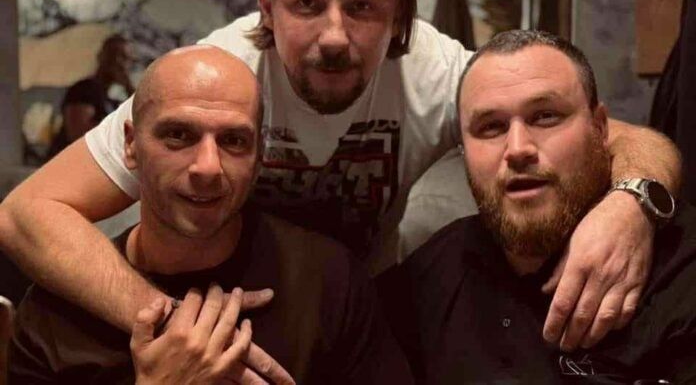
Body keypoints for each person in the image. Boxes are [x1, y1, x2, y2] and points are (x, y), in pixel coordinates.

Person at [0, 0, 681, 357]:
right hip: (207, 305)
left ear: (400, 15)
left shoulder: (435, 72)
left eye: (362, 7)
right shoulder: (219, 77)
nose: (334, 36)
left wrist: (632, 206)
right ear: (265, 7)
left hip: (359, 317)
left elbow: (618, 138)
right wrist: (161, 320)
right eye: (306, 5)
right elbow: (27, 211)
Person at [8, 46, 412, 384]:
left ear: (259, 157)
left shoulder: (327, 283)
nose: (208, 167)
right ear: (130, 145)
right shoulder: (55, 312)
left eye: (233, 141)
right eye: (178, 135)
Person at [380, 30, 696, 384]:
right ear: (463, 151)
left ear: (600, 128)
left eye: (545, 117)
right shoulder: (426, 285)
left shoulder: (681, 272)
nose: (518, 148)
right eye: (491, 127)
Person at [48, 34, 135, 158]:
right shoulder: (84, 89)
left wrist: (129, 87)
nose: (118, 62)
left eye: (125, 58)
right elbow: (78, 134)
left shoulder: (114, 99)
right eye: (113, 55)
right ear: (101, 57)